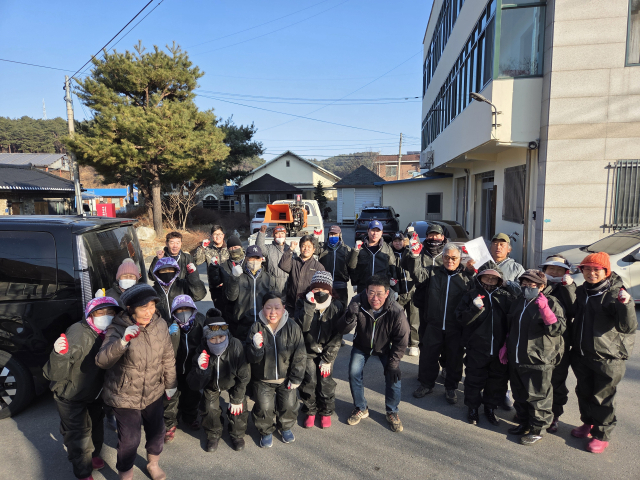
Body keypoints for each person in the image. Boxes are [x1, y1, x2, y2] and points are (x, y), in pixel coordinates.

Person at [95, 284, 177, 480]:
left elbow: (167, 356)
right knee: (130, 439)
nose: (149, 312)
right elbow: (102, 361)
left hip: (153, 390)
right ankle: (126, 474)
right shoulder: (117, 327)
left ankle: (153, 464)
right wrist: (122, 342)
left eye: (152, 306)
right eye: (143, 307)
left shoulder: (160, 325)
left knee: (157, 431)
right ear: (130, 308)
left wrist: (171, 383)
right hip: (124, 394)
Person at [43, 297, 122, 480]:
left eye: (110, 312)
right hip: (70, 394)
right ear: (90, 315)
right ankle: (83, 472)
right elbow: (53, 374)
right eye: (100, 312)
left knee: (96, 427)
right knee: (78, 435)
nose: (106, 316)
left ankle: (92, 456)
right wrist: (58, 354)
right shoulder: (78, 332)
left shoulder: (112, 332)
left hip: (94, 393)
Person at [570, 252, 636, 454]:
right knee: (584, 392)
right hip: (582, 353)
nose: (591, 273)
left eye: (596, 269)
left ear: (606, 271)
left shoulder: (616, 294)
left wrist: (626, 305)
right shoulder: (582, 291)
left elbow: (627, 327)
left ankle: (601, 434)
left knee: (603, 397)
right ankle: (588, 423)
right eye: (587, 269)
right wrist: (566, 287)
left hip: (607, 357)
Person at [337, 275, 410, 433]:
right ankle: (361, 407)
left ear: (387, 293)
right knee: (353, 373)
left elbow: (402, 339)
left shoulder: (396, 310)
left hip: (385, 347)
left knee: (393, 377)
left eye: (379, 293)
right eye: (371, 293)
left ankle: (392, 411)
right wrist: (349, 316)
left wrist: (394, 364)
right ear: (366, 291)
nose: (375, 298)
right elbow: (342, 330)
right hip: (361, 345)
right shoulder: (357, 302)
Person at [504, 269, 566, 446]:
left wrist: (546, 311)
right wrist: (506, 346)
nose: (527, 288)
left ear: (541, 286)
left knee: (538, 396)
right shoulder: (519, 301)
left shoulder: (551, 302)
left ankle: (537, 429)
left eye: (532, 285)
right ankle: (524, 422)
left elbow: (558, 329)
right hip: (517, 357)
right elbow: (511, 326)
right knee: (520, 393)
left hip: (538, 358)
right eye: (524, 284)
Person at [408, 243, 475, 403]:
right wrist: (415, 256)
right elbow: (418, 275)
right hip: (434, 324)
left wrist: (472, 271)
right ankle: (426, 384)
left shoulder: (466, 277)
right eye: (446, 257)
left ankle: (451, 388)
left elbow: (479, 287)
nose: (450, 261)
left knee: (454, 358)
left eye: (454, 258)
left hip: (455, 327)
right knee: (428, 356)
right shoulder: (433, 272)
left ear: (460, 259)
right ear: (442, 257)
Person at [246, 293, 306, 448]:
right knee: (264, 408)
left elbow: (300, 354)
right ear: (262, 308)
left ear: (283, 308)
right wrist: (256, 348)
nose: (273, 312)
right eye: (268, 307)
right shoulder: (256, 327)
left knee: (289, 405)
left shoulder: (292, 327)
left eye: (277, 307)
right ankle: (265, 430)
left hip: (286, 378)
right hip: (263, 379)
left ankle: (285, 427)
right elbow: (251, 359)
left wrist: (296, 377)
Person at [186, 308, 251, 453]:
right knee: (209, 409)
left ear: (226, 335)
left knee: (238, 407)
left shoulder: (236, 346)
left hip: (233, 381)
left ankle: (237, 433)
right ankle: (213, 434)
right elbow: (194, 385)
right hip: (211, 384)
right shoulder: (202, 351)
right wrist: (201, 370)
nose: (218, 341)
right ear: (206, 339)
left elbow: (244, 376)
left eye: (221, 337)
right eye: (213, 338)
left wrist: (237, 399)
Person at [455, 268, 511, 426]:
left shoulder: (505, 297)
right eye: (486, 278)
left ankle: (490, 408)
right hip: (477, 347)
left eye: (494, 279)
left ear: (499, 281)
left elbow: (512, 320)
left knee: (496, 381)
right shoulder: (471, 295)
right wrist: (474, 308)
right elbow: (461, 319)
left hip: (499, 349)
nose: (490, 281)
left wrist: (507, 343)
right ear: (480, 278)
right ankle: (472, 408)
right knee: (474, 379)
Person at [294, 271, 345, 429]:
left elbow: (338, 335)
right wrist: (309, 306)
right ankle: (310, 410)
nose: (320, 292)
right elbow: (302, 327)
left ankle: (326, 411)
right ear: (311, 289)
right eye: (316, 289)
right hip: (307, 350)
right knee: (309, 381)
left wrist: (328, 358)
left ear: (330, 291)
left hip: (327, 351)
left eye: (324, 290)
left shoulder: (336, 306)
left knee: (325, 382)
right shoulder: (302, 303)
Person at [538, 255, 576, 433]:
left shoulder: (569, 287)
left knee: (557, 380)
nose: (554, 272)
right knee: (536, 379)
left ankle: (554, 414)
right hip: (536, 341)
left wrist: (568, 287)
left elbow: (573, 308)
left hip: (559, 343)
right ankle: (533, 411)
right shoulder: (537, 283)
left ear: (566, 271)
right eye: (551, 268)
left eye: (559, 269)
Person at [163, 295, 205, 443]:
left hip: (192, 367)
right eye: (179, 310)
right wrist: (170, 336)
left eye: (187, 309)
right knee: (170, 397)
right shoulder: (169, 325)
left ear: (193, 309)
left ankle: (190, 417)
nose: (183, 312)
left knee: (192, 394)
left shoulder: (200, 323)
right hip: (174, 368)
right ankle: (169, 424)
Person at [225, 244, 272, 343]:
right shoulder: (239, 276)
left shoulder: (268, 278)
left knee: (260, 349)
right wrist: (233, 278)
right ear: (246, 259)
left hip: (263, 324)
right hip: (242, 324)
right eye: (251, 258)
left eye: (257, 258)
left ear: (261, 259)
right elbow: (231, 297)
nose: (254, 261)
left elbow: (273, 301)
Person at [278, 235, 326, 314]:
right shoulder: (294, 262)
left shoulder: (318, 267)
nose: (306, 248)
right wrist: (290, 249)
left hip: (308, 307)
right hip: (291, 305)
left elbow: (322, 288)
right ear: (300, 248)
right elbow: (282, 265)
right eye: (303, 246)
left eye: (309, 246)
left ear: (314, 249)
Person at [151, 257, 206, 324]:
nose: (167, 272)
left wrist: (193, 277)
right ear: (157, 273)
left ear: (175, 271)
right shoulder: (152, 291)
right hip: (161, 326)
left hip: (182, 324)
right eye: (163, 270)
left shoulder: (183, 285)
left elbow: (199, 295)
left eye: (170, 269)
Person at [348, 220, 397, 295]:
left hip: (381, 288)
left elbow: (393, 268)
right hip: (363, 287)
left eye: (378, 231)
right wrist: (354, 282)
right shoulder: (360, 247)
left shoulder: (387, 248)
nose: (375, 233)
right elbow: (352, 266)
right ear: (368, 231)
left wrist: (395, 289)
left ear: (381, 232)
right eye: (373, 230)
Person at [390, 232, 419, 356]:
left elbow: (417, 263)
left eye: (400, 240)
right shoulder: (390, 254)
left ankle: (413, 345)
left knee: (414, 320)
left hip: (412, 291)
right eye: (395, 241)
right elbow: (388, 271)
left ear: (404, 241)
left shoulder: (409, 252)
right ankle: (395, 343)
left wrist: (413, 235)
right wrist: (392, 286)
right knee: (396, 320)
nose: (398, 243)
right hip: (397, 293)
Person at [208, 234, 244, 320]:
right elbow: (215, 282)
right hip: (230, 306)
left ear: (241, 247)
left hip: (246, 304)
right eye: (230, 248)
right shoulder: (224, 266)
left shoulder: (248, 262)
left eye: (236, 247)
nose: (233, 250)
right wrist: (213, 267)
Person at [194, 224, 229, 308]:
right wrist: (201, 248)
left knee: (231, 311)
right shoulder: (208, 250)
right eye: (215, 234)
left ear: (223, 235)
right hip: (215, 287)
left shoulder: (229, 248)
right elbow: (197, 261)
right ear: (211, 236)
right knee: (219, 310)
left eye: (220, 234)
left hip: (229, 285)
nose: (218, 236)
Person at [317, 225, 353, 306]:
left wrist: (355, 283)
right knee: (325, 308)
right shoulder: (323, 247)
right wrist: (316, 237)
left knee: (341, 308)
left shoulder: (346, 249)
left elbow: (351, 266)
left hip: (341, 286)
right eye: (331, 234)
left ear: (340, 235)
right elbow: (313, 248)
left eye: (335, 234)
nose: (333, 236)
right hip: (325, 285)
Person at [257, 224, 293, 295]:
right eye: (277, 233)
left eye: (282, 233)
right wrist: (261, 233)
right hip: (272, 285)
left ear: (285, 235)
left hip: (287, 284)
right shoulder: (269, 248)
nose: (280, 236)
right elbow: (259, 248)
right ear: (273, 236)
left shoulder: (290, 249)